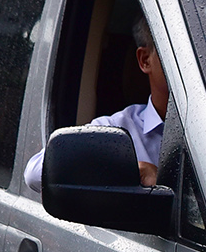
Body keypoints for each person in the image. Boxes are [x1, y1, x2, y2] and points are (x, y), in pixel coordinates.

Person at [25, 15, 166, 192]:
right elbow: (35, 173)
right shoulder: (119, 130)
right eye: (179, 50)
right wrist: (125, 172)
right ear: (145, 59)